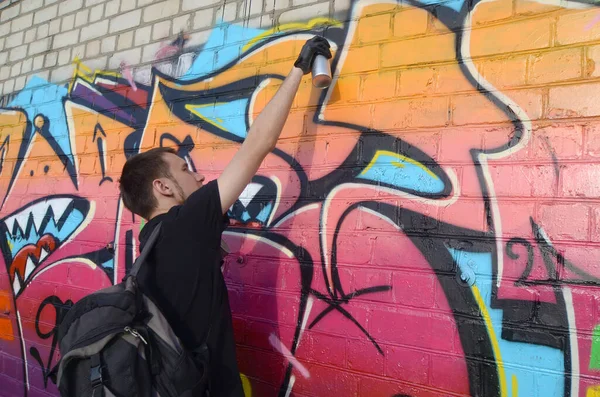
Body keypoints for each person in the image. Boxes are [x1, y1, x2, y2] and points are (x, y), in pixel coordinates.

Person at [118, 36, 332, 397]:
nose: (199, 176)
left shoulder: (150, 243)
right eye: (185, 170)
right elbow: (258, 144)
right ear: (163, 187)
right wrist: (299, 68)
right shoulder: (183, 227)